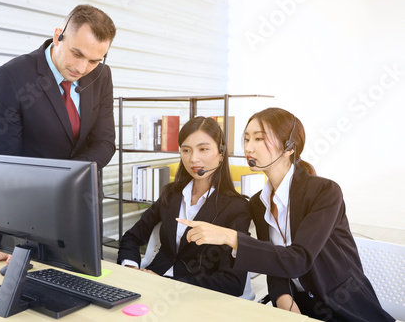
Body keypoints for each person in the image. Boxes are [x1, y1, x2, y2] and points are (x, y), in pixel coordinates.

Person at [178, 108, 394, 321]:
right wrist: (284, 300)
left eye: (259, 138)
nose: (248, 147)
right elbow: (272, 262)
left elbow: (298, 260)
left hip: (346, 307)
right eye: (246, 139)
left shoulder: (325, 192)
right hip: (299, 307)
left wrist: (229, 237)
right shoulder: (258, 203)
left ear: (289, 147)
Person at [0, 4, 116, 270]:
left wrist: (69, 181)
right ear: (58, 36)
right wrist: (9, 238)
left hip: (83, 206)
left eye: (93, 60)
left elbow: (105, 143)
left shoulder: (101, 75)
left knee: (89, 285)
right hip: (29, 215)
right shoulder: (12, 77)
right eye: (76, 53)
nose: (82, 67)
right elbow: (4, 162)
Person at [117, 117, 252, 297]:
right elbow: (132, 237)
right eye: (186, 150)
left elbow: (232, 283)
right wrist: (131, 268)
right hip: (151, 285)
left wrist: (168, 284)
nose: (193, 159)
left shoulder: (237, 208)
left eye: (203, 149)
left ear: (220, 154)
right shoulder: (171, 194)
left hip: (194, 297)